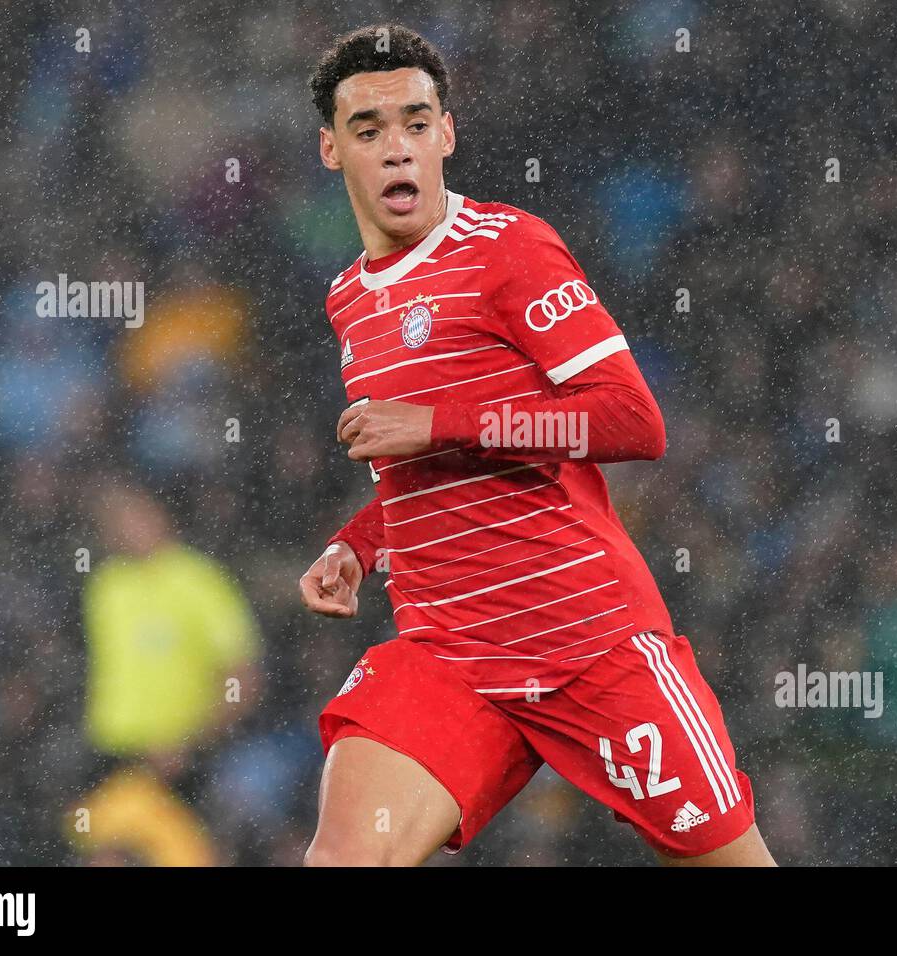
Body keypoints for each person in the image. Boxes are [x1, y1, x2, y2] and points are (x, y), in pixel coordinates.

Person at [298, 23, 774, 866]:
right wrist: (360, 544)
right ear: (333, 150)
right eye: (369, 131)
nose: (397, 149)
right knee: (343, 859)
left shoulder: (509, 249)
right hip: (447, 653)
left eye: (415, 123)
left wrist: (441, 418)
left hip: (586, 641)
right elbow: (425, 474)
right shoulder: (348, 298)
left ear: (446, 134)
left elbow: (632, 422)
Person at [69, 478, 262, 865]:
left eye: (136, 516)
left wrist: (194, 741)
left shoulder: (199, 580)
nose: (128, 528)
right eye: (117, 521)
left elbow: (242, 677)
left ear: (163, 517)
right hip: (114, 755)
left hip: (184, 762)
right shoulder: (105, 587)